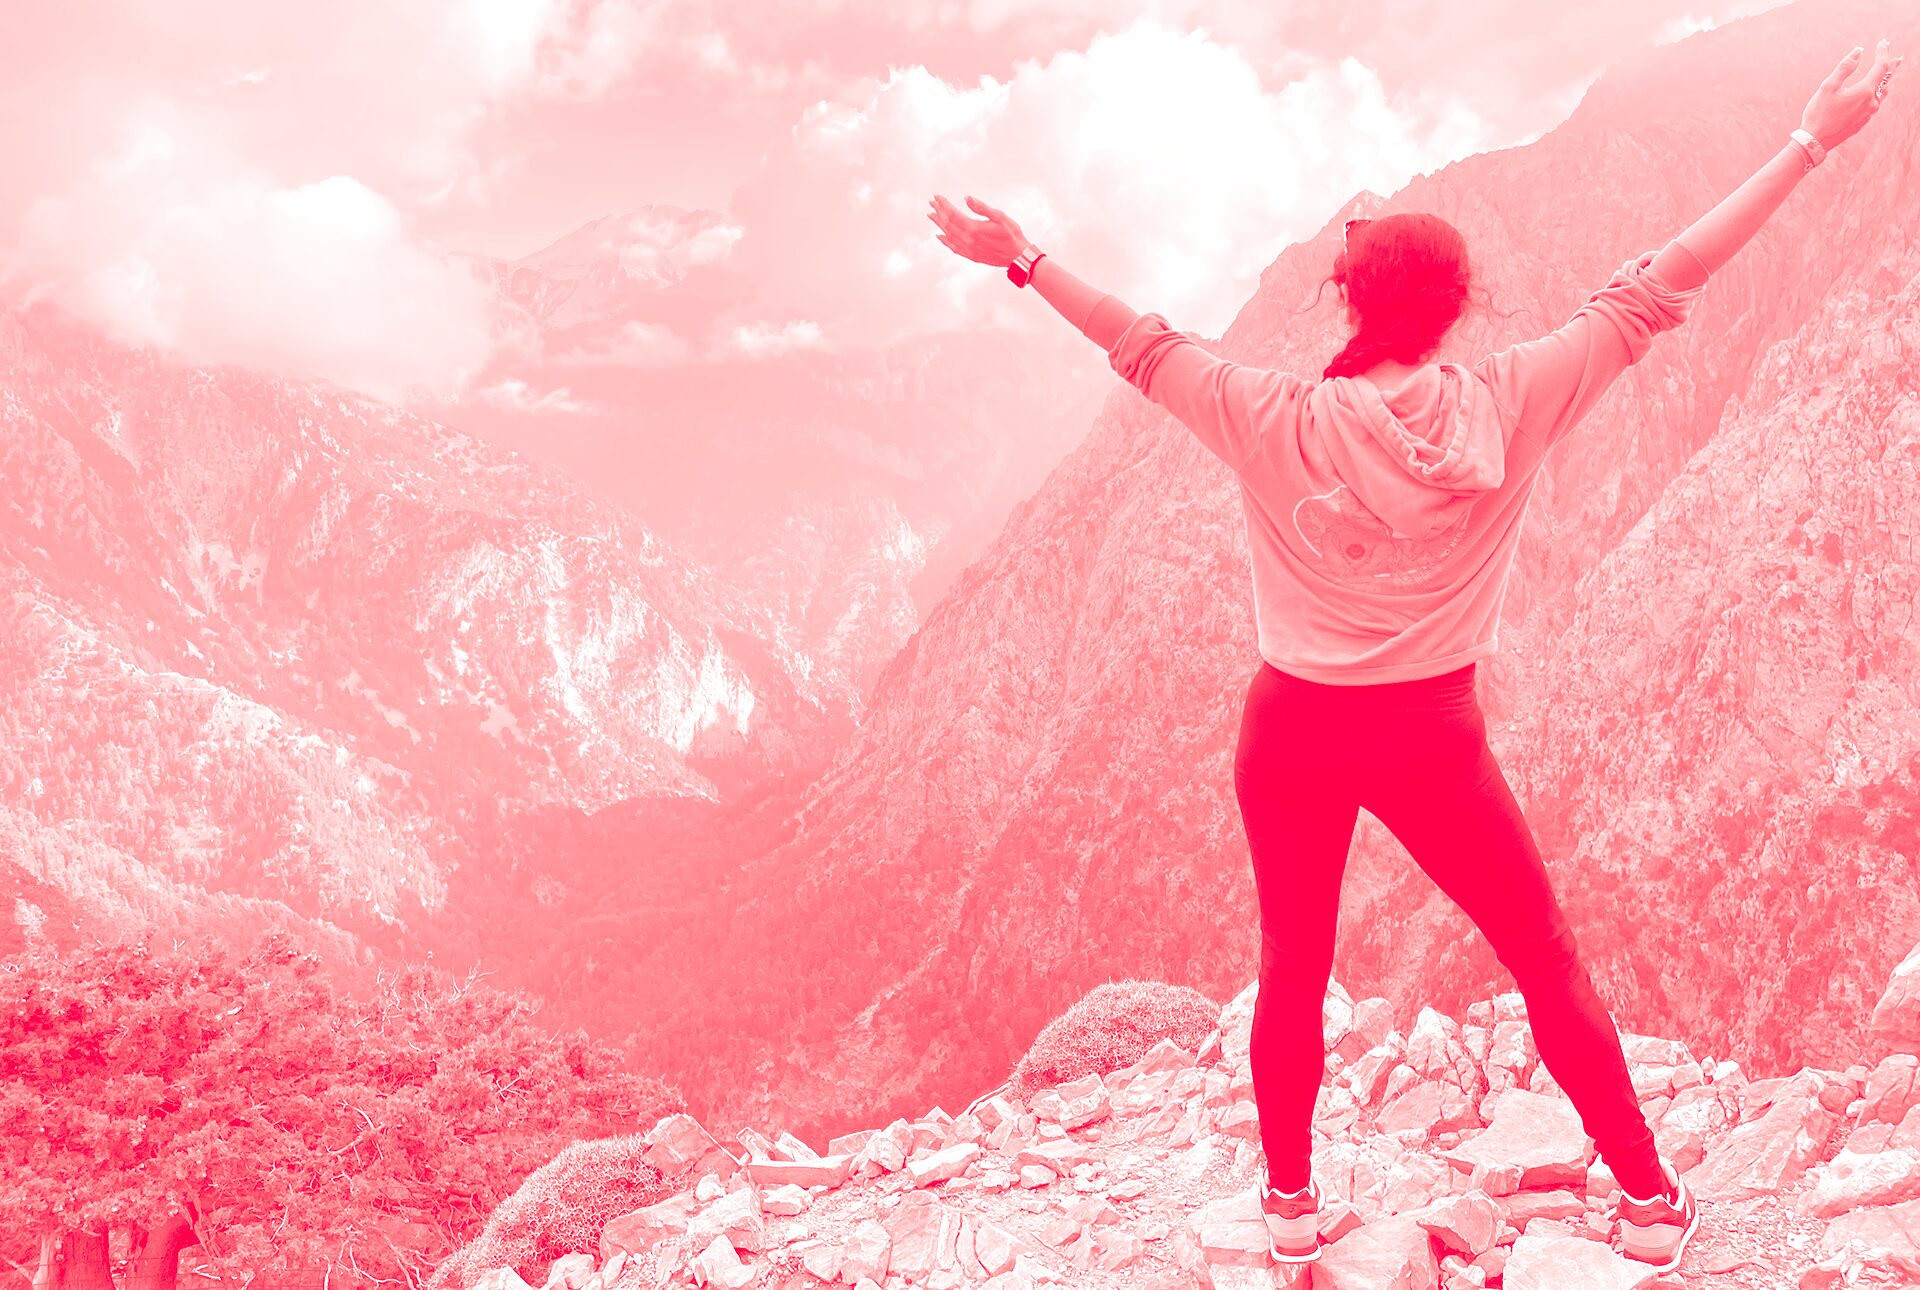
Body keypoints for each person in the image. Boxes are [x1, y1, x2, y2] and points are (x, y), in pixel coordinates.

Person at [929, 35, 1902, 1272]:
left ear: (1347, 305)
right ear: (1457, 311)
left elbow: (1136, 338)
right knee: (1542, 956)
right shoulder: (1511, 400)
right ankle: (1651, 1205)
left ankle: (1288, 1207)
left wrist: (1019, 255)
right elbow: (1668, 278)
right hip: (1431, 734)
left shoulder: (1270, 419)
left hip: (1289, 727)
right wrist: (1812, 142)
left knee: (1293, 964)